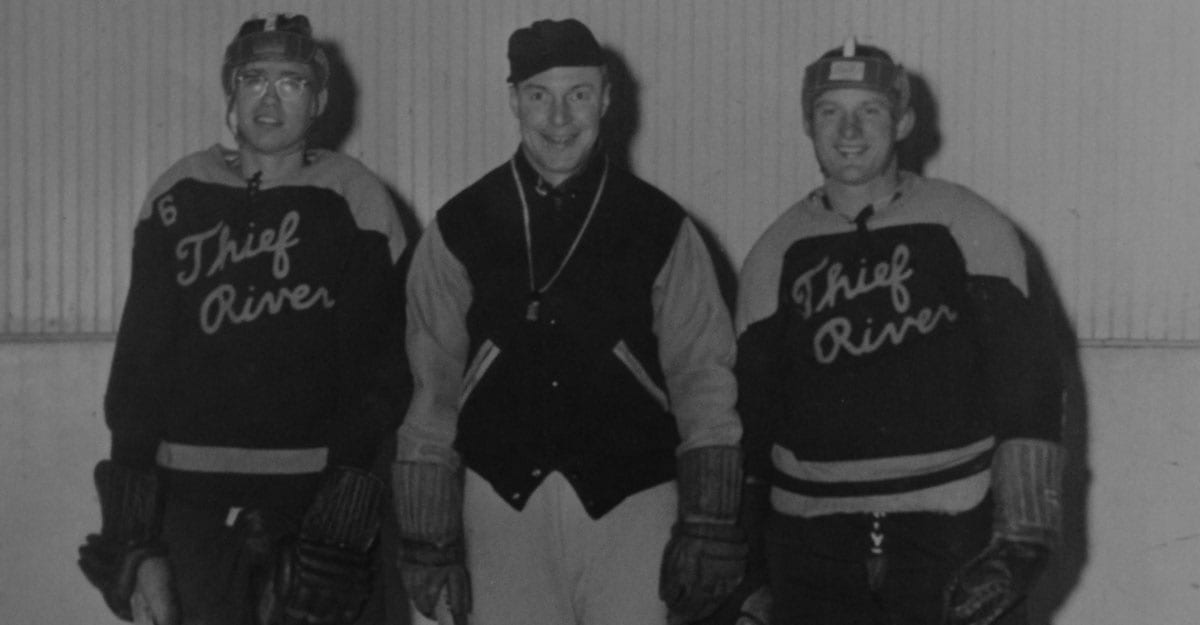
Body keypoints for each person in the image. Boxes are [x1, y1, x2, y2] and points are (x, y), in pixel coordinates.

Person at [393, 18, 746, 625]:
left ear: (607, 98)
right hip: (501, 503)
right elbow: (431, 388)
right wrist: (428, 536)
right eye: (539, 96)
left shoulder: (660, 223)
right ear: (514, 101)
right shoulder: (460, 224)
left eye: (578, 95)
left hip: (632, 499)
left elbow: (703, 377)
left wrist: (710, 520)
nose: (559, 118)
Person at [77, 13, 409, 625]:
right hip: (191, 505)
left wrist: (341, 511)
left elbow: (378, 371)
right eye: (254, 78)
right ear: (231, 92)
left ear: (320, 100)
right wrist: (134, 530)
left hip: (310, 502)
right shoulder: (179, 191)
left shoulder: (355, 197)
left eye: (292, 82)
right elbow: (139, 366)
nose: (270, 97)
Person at [734, 38, 1066, 625]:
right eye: (830, 112)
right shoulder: (773, 252)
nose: (850, 130)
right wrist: (747, 561)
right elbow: (751, 417)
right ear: (808, 125)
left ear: (905, 120)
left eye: (871, 111)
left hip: (948, 529)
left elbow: (1029, 389)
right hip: (812, 543)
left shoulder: (972, 226)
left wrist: (1022, 539)